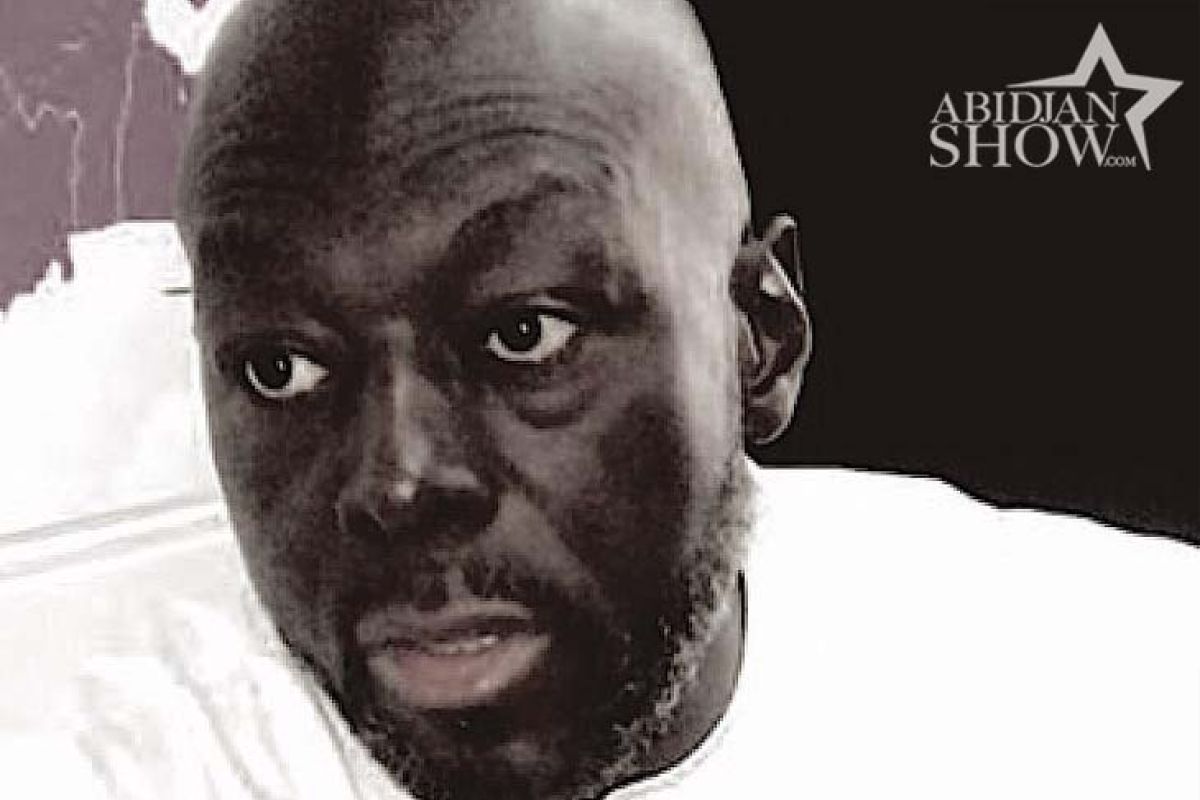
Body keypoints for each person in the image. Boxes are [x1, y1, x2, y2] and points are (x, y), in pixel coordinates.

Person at [1, 0, 1197, 798]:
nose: (397, 478)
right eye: (282, 366)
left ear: (760, 341)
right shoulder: (172, 758)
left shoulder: (1116, 683)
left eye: (523, 333)